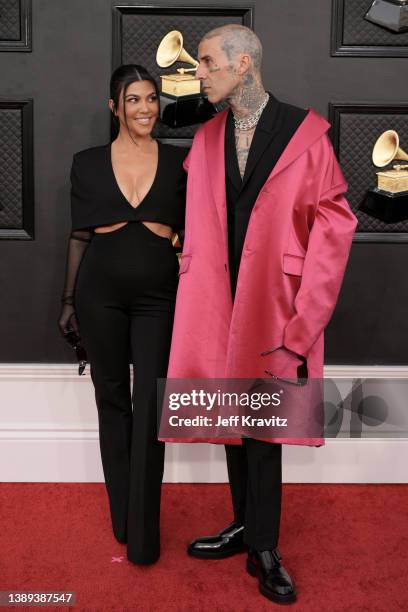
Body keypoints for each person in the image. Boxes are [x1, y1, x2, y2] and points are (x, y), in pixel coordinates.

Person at [166, 25, 357, 603]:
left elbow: (334, 226)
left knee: (265, 425)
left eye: (205, 62)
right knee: (231, 411)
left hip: (276, 299)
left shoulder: (304, 134)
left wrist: (307, 316)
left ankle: (266, 547)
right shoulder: (208, 137)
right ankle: (246, 525)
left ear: (241, 64)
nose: (197, 73)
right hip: (216, 299)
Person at [58, 64, 187, 565]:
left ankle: (144, 533)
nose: (145, 109)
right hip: (99, 295)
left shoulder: (181, 163)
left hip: (159, 296)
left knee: (152, 405)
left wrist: (179, 240)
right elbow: (78, 236)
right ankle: (122, 517)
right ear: (114, 107)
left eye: (152, 98)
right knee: (112, 401)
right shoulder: (86, 163)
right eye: (133, 100)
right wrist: (68, 301)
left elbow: (198, 226)